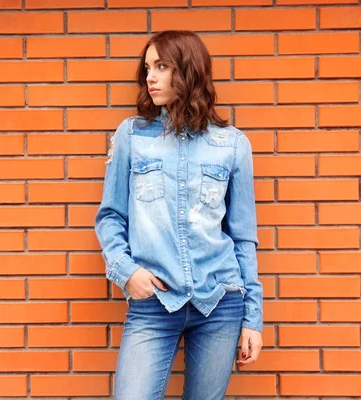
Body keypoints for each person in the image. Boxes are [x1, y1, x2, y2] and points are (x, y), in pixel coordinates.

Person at [94, 30, 263, 400]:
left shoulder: (232, 144)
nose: (150, 77)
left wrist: (253, 319)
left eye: (162, 66)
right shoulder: (132, 136)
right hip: (153, 303)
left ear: (188, 71)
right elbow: (110, 217)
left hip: (220, 302)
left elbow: (243, 236)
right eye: (147, 68)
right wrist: (127, 272)